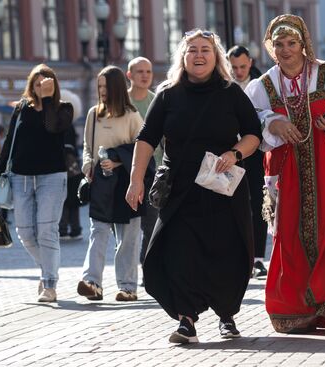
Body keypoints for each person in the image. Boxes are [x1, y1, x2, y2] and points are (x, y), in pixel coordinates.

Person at [126, 29, 262, 343]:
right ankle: (186, 320)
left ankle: (226, 315)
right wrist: (135, 181)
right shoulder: (168, 94)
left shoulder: (230, 92)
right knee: (176, 252)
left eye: (205, 50)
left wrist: (235, 153)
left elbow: (254, 134)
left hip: (222, 187)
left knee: (226, 252)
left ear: (216, 57)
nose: (198, 56)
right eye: (192, 50)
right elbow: (146, 139)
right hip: (180, 187)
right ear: (183, 57)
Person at [244, 14, 325, 334]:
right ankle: (297, 308)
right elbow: (248, 123)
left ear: (304, 44)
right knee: (291, 237)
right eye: (279, 44)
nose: (286, 50)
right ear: (271, 47)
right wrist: (272, 122)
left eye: (292, 43)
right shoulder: (264, 85)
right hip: (287, 172)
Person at [0, 63, 73, 302]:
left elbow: (51, 127)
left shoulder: (63, 109)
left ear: (53, 86)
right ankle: (49, 267)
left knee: (47, 230)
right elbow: (9, 142)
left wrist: (47, 100)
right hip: (20, 177)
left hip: (52, 177)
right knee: (25, 232)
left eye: (46, 84)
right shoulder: (21, 109)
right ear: (31, 86)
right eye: (37, 84)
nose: (41, 87)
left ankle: (49, 284)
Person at [77, 65, 145, 303]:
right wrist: (87, 164)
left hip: (127, 182)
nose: (102, 91)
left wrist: (116, 162)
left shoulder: (132, 115)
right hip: (102, 183)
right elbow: (87, 146)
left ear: (116, 87)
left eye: (106, 86)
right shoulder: (93, 114)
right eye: (99, 86)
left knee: (128, 237)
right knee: (98, 231)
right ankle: (92, 282)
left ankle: (128, 287)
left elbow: (142, 148)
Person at [226, 45, 268, 279]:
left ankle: (259, 259)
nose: (239, 71)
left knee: (258, 204)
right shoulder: (223, 85)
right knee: (231, 204)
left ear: (250, 63)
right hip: (230, 152)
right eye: (234, 67)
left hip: (257, 152)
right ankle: (236, 257)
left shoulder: (262, 85)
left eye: (242, 67)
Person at [126, 56, 159, 266]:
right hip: (126, 170)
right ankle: (126, 272)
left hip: (154, 170)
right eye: (140, 71)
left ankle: (146, 267)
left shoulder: (156, 100)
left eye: (148, 71)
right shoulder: (122, 102)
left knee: (151, 223)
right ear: (129, 75)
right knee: (126, 227)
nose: (145, 76)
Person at [58, 124, 83, 240]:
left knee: (63, 200)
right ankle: (75, 229)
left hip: (60, 165)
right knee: (73, 200)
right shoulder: (70, 125)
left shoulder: (56, 123)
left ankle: (63, 229)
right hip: (73, 167)